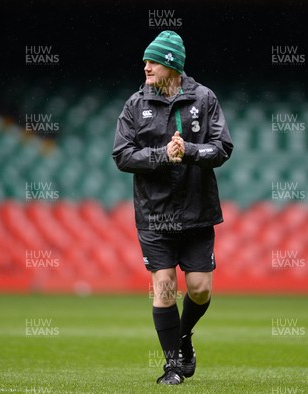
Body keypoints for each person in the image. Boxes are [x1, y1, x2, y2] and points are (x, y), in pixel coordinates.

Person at [112, 30, 233, 385]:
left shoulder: (205, 99)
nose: (145, 66)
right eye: (146, 60)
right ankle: (172, 366)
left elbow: (222, 149)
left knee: (199, 288)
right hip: (153, 214)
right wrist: (161, 156)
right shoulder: (135, 104)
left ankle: (183, 338)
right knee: (164, 287)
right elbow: (121, 155)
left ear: (171, 65)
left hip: (197, 212)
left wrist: (190, 151)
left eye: (152, 61)